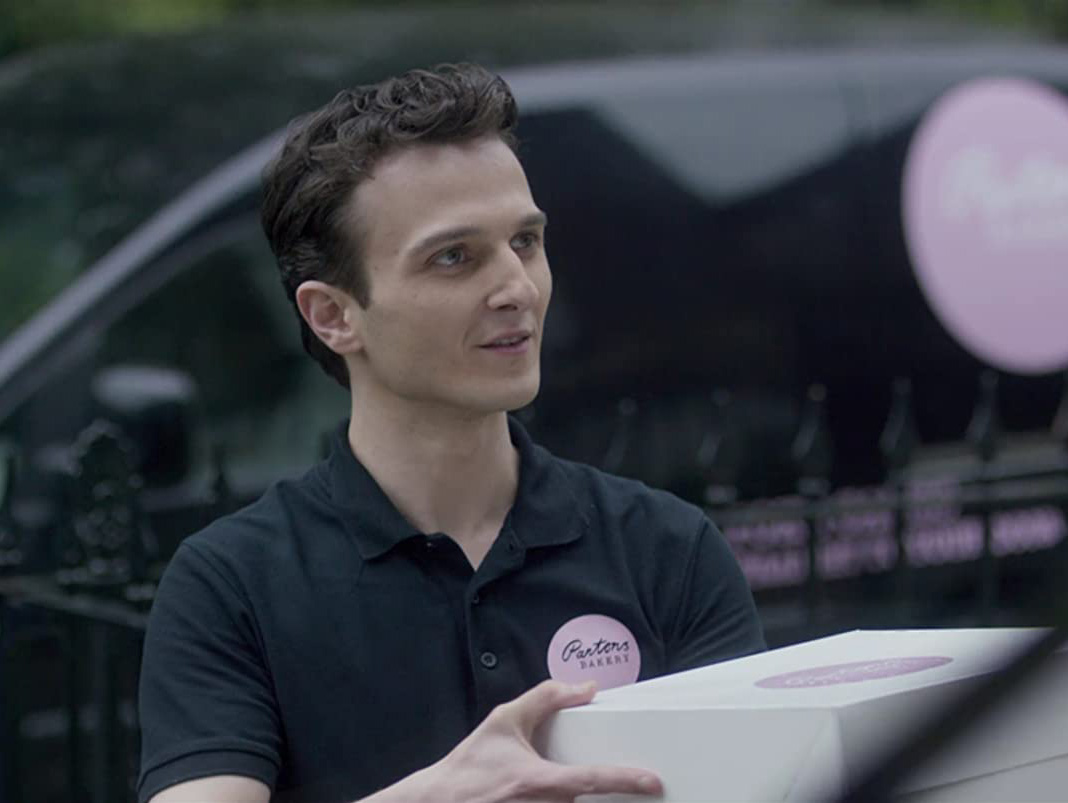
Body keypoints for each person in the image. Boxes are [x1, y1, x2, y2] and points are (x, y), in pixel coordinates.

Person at [137, 63, 765, 803]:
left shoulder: (667, 549)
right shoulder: (229, 586)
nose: (517, 288)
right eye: (453, 257)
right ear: (333, 315)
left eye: (525, 241)